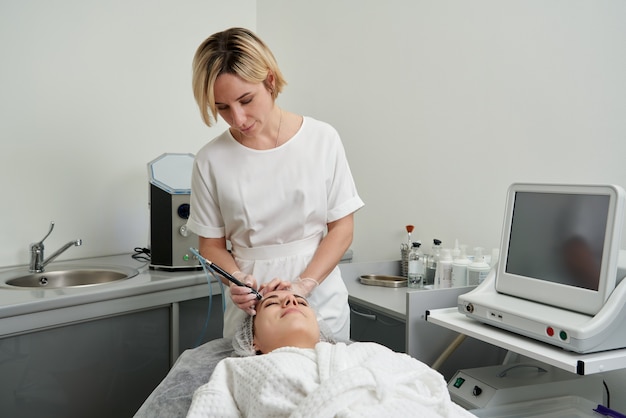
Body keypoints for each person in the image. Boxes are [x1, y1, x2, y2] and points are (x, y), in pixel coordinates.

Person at [187, 27, 364, 341]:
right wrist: (236, 279)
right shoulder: (210, 160)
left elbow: (342, 229)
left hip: (319, 301)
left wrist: (304, 285)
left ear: (269, 80)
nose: (238, 119)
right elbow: (211, 247)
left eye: (246, 99)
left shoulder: (321, 140)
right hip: (253, 312)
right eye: (223, 108)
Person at [185, 290, 476, 418]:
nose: (290, 299)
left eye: (300, 301)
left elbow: (432, 390)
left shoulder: (368, 352)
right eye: (272, 304)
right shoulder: (236, 371)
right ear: (254, 341)